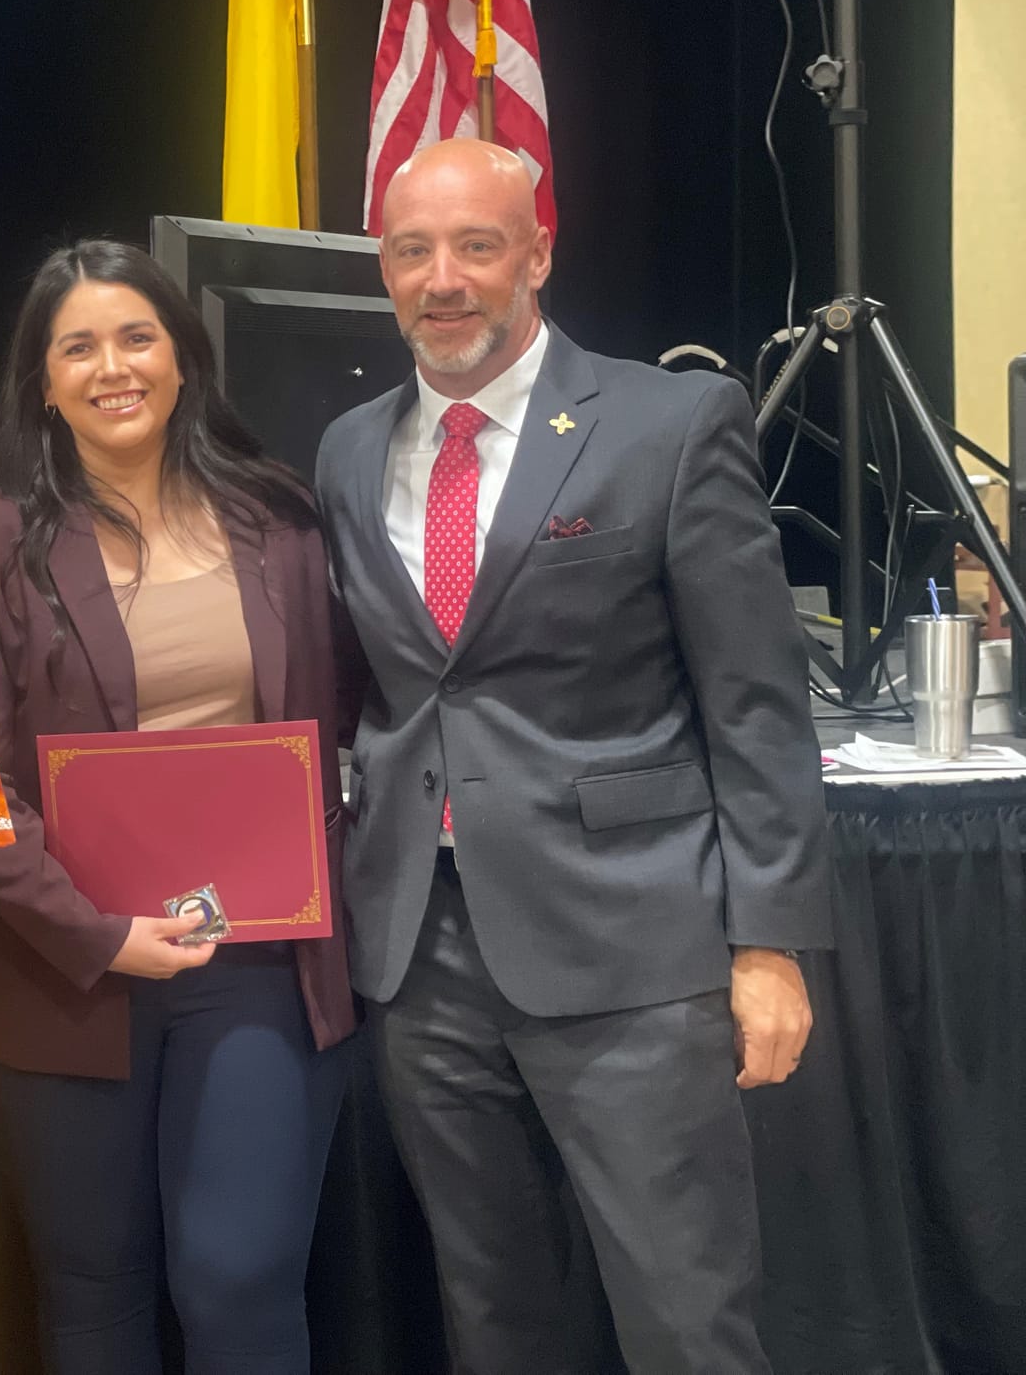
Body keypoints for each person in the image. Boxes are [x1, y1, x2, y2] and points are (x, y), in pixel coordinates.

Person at [315, 137, 832, 1374]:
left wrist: (768, 944)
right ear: (381, 269)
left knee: (684, 1317)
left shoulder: (667, 423)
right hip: (421, 955)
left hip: (630, 947)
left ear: (536, 253)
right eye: (410, 251)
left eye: (475, 246)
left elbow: (755, 706)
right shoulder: (345, 450)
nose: (442, 279)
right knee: (493, 1316)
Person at [0, 240, 356, 1374]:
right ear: (43, 382)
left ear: (182, 357)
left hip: (258, 959)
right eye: (77, 348)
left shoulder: (283, 517)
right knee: (93, 1298)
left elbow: (354, 709)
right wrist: (95, 932)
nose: (111, 367)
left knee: (239, 1277)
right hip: (62, 969)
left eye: (136, 337)